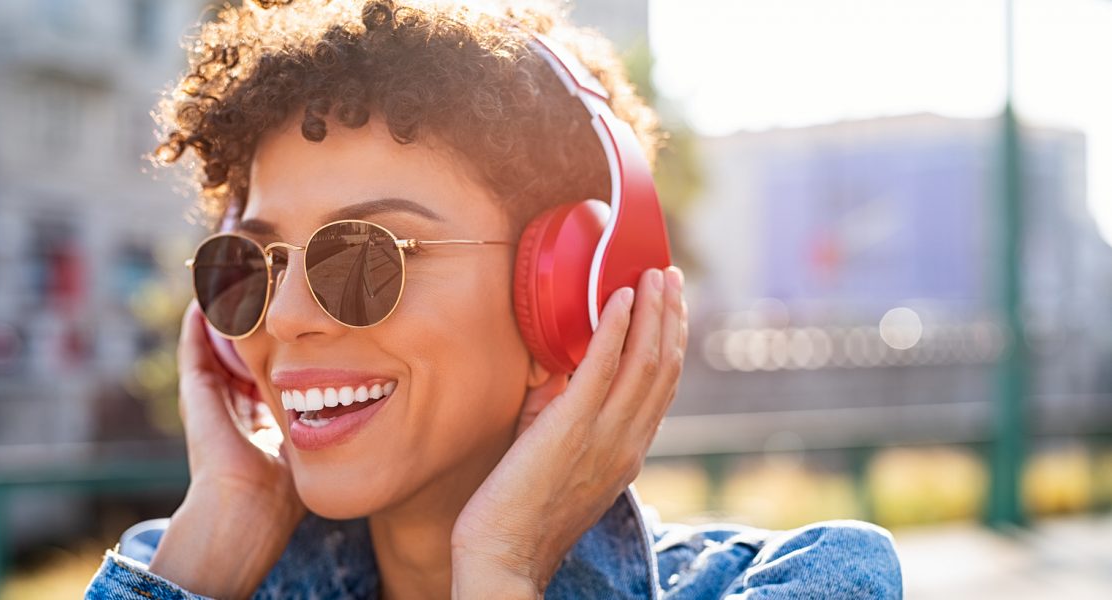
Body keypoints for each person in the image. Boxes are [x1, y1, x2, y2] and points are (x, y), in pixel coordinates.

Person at [85, 0, 902, 598]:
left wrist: (503, 567)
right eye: (254, 264)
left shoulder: (810, 581)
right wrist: (219, 533)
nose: (287, 316)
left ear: (569, 288)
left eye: (365, 256)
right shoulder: (180, 569)